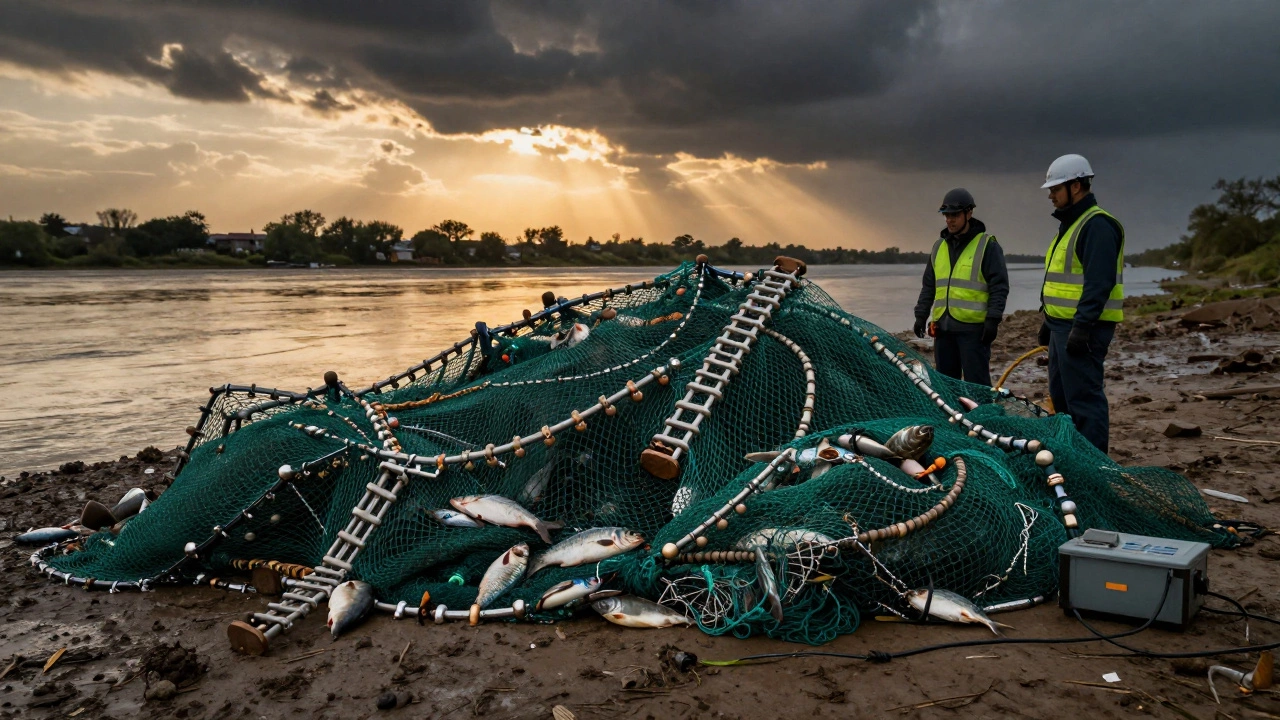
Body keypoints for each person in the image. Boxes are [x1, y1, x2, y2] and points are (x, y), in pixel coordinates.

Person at [1037, 154, 1124, 453]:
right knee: (1062, 398)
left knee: (1084, 401)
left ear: (1075, 186)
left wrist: (1082, 327)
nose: (1050, 194)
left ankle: (1095, 469)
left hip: (1084, 329)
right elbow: (1062, 280)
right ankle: (1075, 459)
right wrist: (1048, 322)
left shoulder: (1097, 225)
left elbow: (1099, 283)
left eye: (1055, 188)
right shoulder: (1070, 225)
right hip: (1063, 327)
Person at [913, 188, 1008, 386]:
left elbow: (999, 287)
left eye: (954, 215)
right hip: (943, 331)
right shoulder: (938, 247)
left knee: (977, 386)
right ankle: (953, 417)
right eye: (946, 215)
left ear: (969, 213)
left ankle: (982, 418)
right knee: (948, 387)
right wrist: (921, 315)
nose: (949, 220)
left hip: (973, 332)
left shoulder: (987, 246)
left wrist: (993, 320)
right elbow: (929, 285)